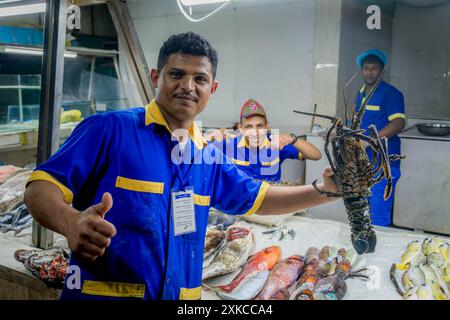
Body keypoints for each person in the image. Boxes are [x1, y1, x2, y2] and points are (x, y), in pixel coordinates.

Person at [24, 32, 338, 300]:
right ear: (156, 78)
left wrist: (326, 190)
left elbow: (260, 198)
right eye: (176, 74)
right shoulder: (109, 129)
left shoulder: (207, 156)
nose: (188, 85)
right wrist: (70, 222)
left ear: (212, 89)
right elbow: (41, 186)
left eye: (200, 78)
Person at [354, 49, 406, 226]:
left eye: (374, 68)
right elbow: (359, 122)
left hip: (384, 165)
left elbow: (398, 123)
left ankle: (379, 252)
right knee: (362, 210)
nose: (369, 72)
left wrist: (370, 140)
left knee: (378, 211)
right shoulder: (360, 94)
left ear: (381, 71)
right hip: (363, 164)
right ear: (361, 70)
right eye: (366, 68)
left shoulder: (391, 93)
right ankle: (364, 249)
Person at [213, 98, 322, 182]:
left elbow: (316, 155)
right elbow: (197, 153)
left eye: (259, 126)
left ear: (266, 126)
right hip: (239, 203)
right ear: (241, 128)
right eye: (249, 127)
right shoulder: (229, 145)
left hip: (271, 202)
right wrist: (213, 137)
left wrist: (293, 140)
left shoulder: (277, 143)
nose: (255, 132)